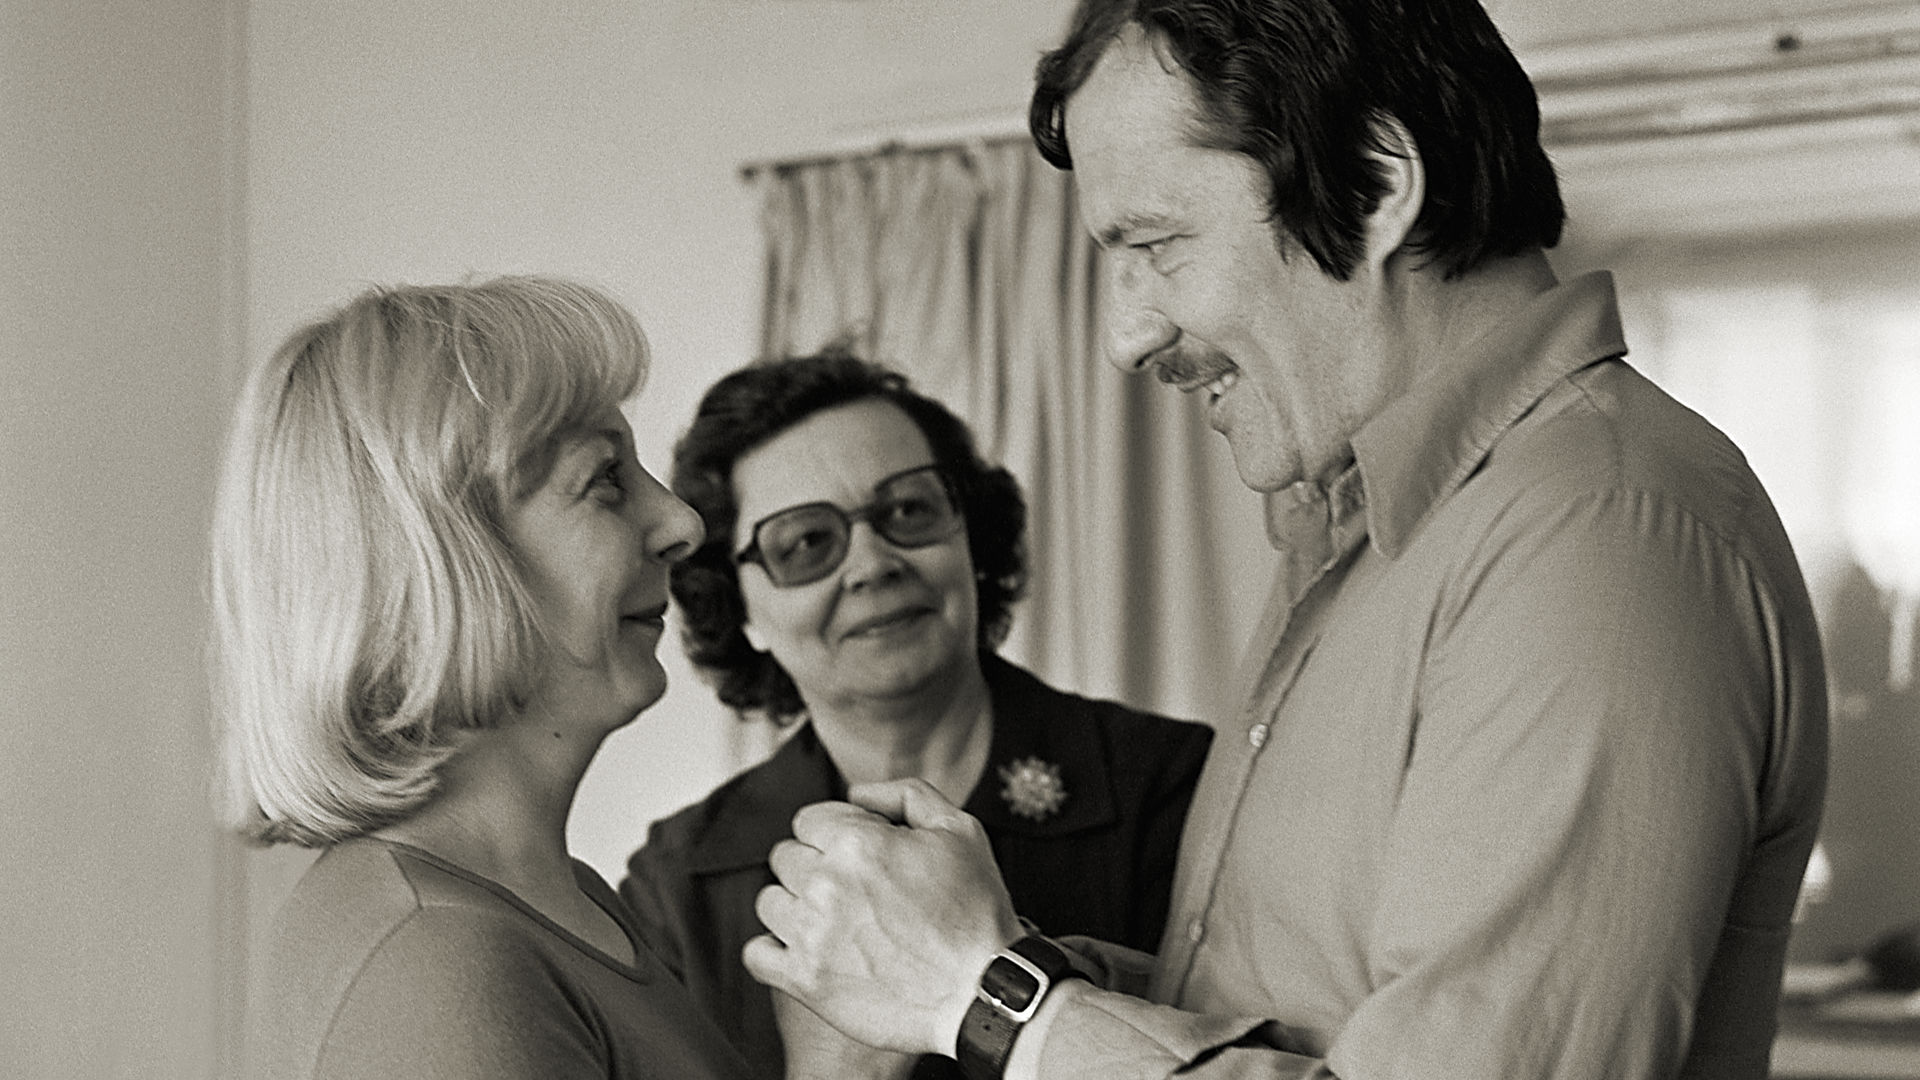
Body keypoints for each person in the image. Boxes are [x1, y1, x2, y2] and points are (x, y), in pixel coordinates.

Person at [739, 2, 1830, 1080]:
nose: (1126, 338)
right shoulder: (1366, 527)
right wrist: (1004, 969)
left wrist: (991, 1003)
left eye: (1156, 244)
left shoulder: (1596, 534)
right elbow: (1298, 1023)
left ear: (1377, 184)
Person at [212, 276, 757, 1080]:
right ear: (444, 563)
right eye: (606, 479)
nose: (682, 522)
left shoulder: (556, 902)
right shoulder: (438, 962)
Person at [617, 351, 1214, 1080]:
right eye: (806, 542)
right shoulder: (678, 885)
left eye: (908, 511)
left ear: (971, 538)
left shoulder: (1176, 786)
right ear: (738, 606)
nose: (873, 565)